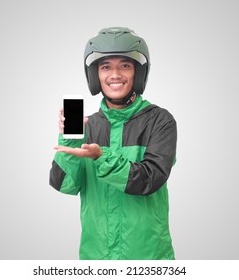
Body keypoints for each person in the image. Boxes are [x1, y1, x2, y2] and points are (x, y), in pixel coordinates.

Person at [49, 27, 177, 260]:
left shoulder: (160, 120)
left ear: (138, 73)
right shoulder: (87, 126)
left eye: (125, 66)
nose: (115, 74)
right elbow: (65, 185)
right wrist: (68, 140)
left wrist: (101, 157)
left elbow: (150, 179)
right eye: (106, 66)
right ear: (95, 75)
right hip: (97, 256)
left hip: (147, 258)